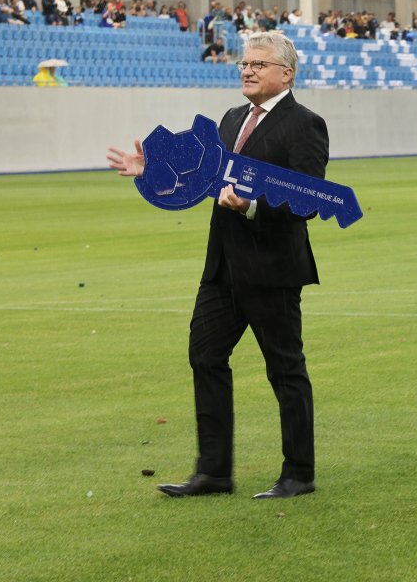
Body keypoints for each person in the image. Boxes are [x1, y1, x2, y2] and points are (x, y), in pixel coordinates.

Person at [106, 31, 328, 501]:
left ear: (286, 74)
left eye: (258, 64)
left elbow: (306, 199)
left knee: (285, 370)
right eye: (244, 64)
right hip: (222, 267)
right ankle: (213, 472)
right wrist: (152, 169)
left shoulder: (305, 124)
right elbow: (203, 177)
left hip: (272, 269)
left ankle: (299, 473)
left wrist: (250, 206)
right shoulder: (230, 119)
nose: (247, 70)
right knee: (205, 357)